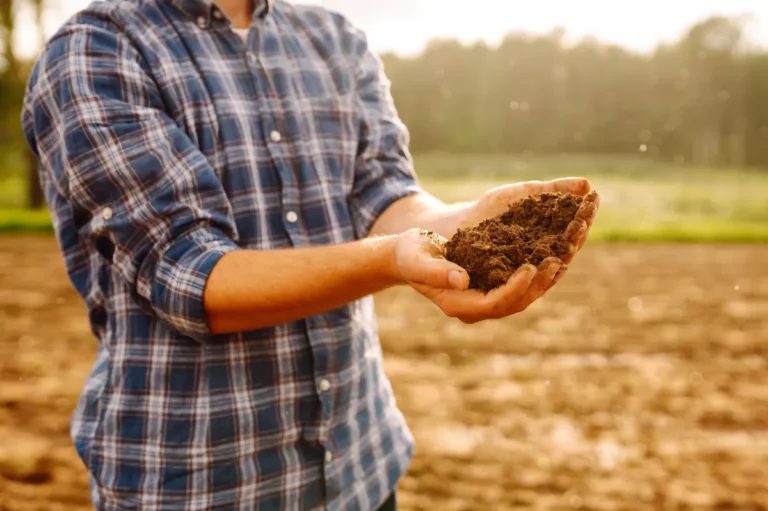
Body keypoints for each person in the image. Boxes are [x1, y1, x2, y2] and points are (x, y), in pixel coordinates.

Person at [21, 0, 599, 509]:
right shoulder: (96, 51)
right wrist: (390, 260)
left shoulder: (334, 39)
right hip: (200, 483)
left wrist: (461, 224)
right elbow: (195, 279)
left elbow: (384, 194)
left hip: (361, 469)